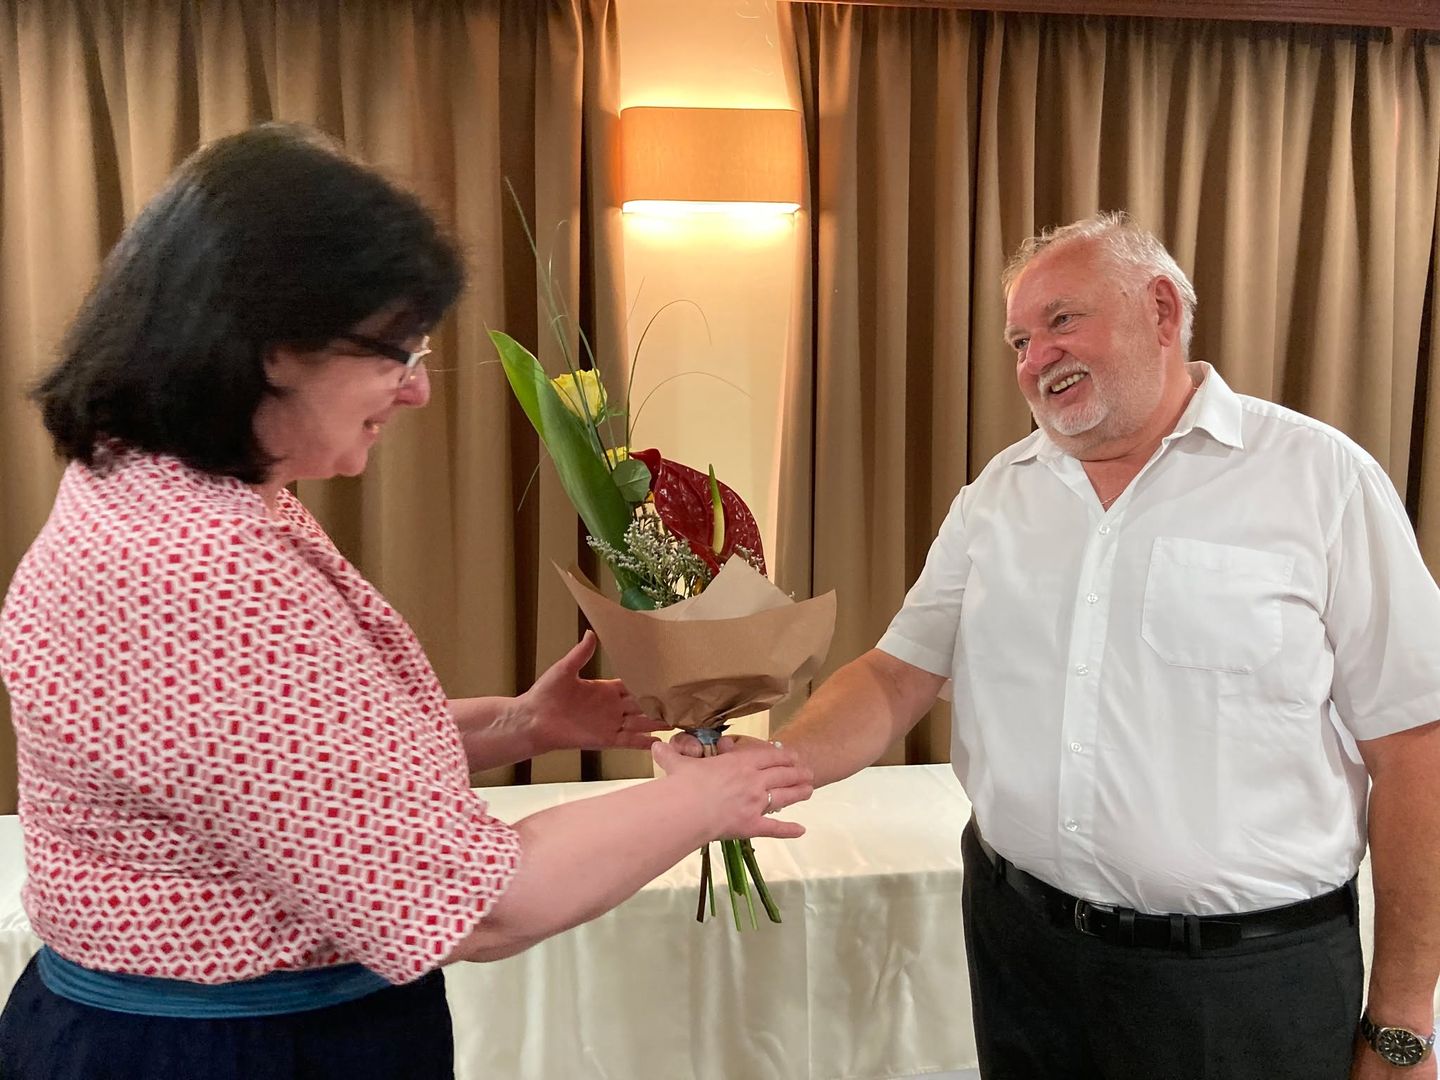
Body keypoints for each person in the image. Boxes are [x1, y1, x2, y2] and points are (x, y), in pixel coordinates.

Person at [0, 123, 813, 1080]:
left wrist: (517, 725)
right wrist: (701, 801)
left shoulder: (155, 489)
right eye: (399, 352)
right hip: (226, 1051)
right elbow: (483, 906)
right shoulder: (201, 570)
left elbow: (292, 768)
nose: (419, 391)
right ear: (274, 346)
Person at [695, 212, 1440, 1078]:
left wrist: (1401, 1022)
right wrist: (773, 765)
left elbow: (1415, 746)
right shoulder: (997, 495)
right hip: (1024, 956)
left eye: (1060, 321)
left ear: (1161, 311)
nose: (1035, 358)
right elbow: (897, 675)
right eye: (1019, 340)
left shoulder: (1321, 480)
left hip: (1242, 986)